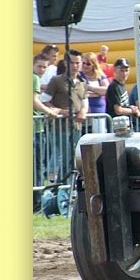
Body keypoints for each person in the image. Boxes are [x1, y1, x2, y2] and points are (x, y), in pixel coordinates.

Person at [45, 49, 88, 182]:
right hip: (60, 127)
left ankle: (69, 185)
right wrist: (61, 111)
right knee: (63, 158)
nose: (75, 66)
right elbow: (44, 101)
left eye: (78, 63)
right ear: (65, 63)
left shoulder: (82, 82)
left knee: (73, 159)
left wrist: (83, 112)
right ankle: (60, 185)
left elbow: (85, 103)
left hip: (77, 127)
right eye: (72, 63)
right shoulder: (56, 80)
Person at [33, 54, 61, 186]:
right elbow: (34, 101)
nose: (42, 69)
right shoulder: (34, 79)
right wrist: (50, 112)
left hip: (36, 125)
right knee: (38, 165)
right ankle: (37, 196)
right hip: (35, 128)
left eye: (45, 67)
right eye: (39, 66)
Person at [81, 52, 109, 132]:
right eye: (83, 63)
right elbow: (81, 93)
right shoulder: (79, 75)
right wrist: (98, 92)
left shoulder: (100, 75)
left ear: (94, 64)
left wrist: (90, 88)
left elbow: (107, 90)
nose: (85, 66)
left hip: (99, 110)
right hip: (86, 111)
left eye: (88, 64)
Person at [106, 58, 140, 122]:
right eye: (121, 70)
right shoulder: (114, 87)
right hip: (116, 124)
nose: (124, 73)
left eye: (126, 70)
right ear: (115, 70)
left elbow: (123, 105)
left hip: (123, 123)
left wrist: (131, 107)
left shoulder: (121, 86)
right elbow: (118, 110)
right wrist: (133, 111)